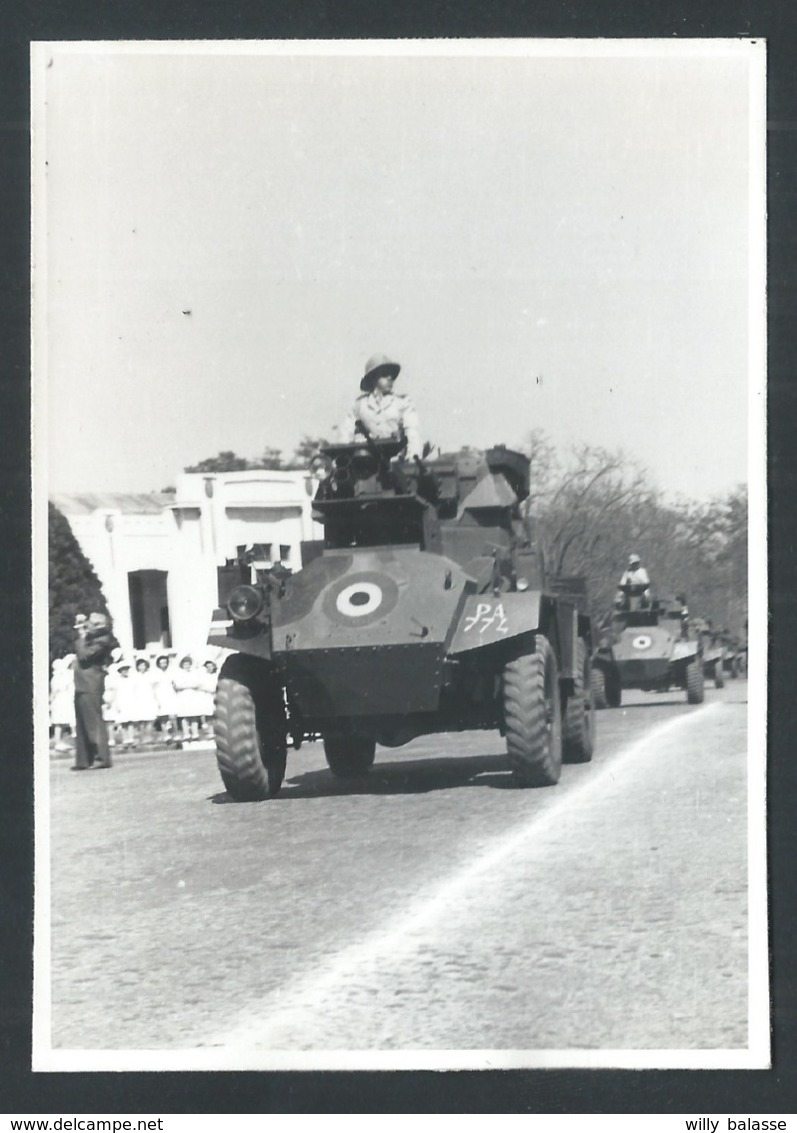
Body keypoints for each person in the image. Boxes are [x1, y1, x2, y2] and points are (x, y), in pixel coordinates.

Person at [339, 353, 422, 461]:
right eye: (384, 374)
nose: (390, 378)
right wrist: (341, 459)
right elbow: (346, 434)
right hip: (366, 463)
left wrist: (412, 459)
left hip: (395, 462)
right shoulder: (360, 405)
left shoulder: (402, 402)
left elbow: (412, 432)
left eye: (391, 375)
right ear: (373, 378)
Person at [72, 611, 115, 770]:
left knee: (93, 722)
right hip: (83, 683)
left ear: (99, 625)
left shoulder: (102, 640)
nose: (87, 625)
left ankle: (101, 758)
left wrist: (82, 636)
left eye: (90, 622)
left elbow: (84, 656)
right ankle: (84, 760)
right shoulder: (94, 639)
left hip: (91, 684)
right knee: (83, 722)